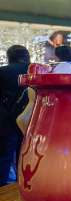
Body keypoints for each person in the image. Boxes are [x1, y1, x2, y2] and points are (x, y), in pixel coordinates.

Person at [0, 45, 30, 185]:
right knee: (26, 153)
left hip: (6, 119)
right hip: (30, 117)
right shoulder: (35, 70)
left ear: (10, 56)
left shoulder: (3, 71)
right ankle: (24, 184)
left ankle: (2, 187)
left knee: (4, 156)